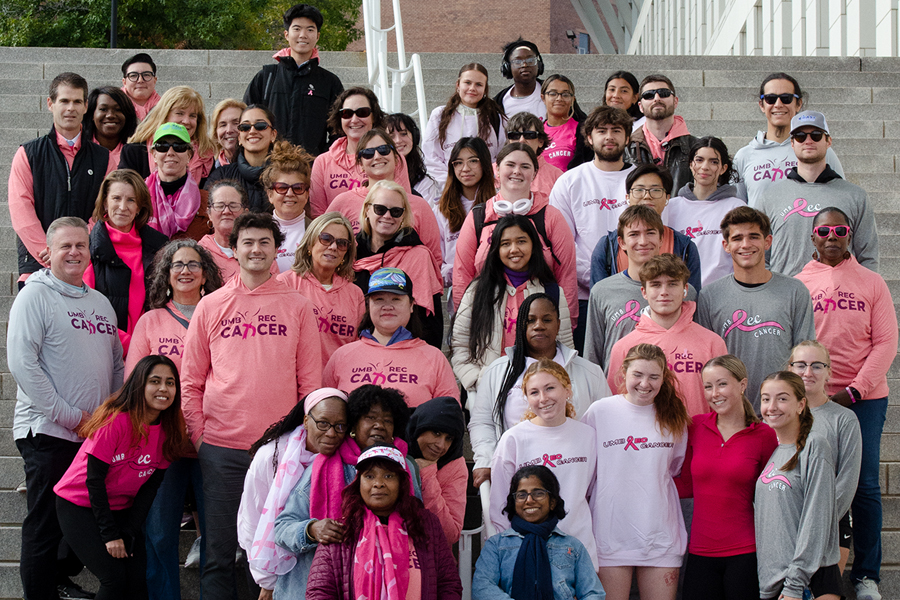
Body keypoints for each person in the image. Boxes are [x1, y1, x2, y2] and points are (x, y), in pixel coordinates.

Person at [180, 211, 322, 599]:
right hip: (221, 448)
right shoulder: (211, 305)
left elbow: (310, 386)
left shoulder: (297, 306)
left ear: (277, 249)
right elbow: (190, 380)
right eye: (248, 242)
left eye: (264, 242)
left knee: (274, 552)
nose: (256, 249)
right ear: (234, 248)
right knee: (220, 551)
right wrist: (199, 437)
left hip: (278, 449)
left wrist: (299, 441)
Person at [7, 217, 123, 600]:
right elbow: (23, 363)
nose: (74, 252)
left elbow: (117, 367)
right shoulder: (35, 295)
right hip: (48, 431)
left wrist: (109, 418)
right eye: (65, 246)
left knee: (75, 522)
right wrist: (72, 417)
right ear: (48, 252)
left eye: (81, 245)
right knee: (45, 523)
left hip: (91, 435)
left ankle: (59, 578)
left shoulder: (100, 303)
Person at [794, 208, 896, 599]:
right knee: (812, 483)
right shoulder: (799, 283)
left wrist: (855, 390)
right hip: (813, 399)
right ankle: (810, 570)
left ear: (850, 234)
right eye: (824, 230)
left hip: (864, 399)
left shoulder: (872, 282)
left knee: (865, 486)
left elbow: (886, 342)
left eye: (840, 229)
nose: (832, 236)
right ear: (813, 237)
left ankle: (866, 574)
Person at [124, 239, 223, 600]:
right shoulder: (151, 321)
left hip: (212, 441)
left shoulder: (220, 314)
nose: (185, 270)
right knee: (160, 533)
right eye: (177, 264)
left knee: (217, 535)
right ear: (166, 274)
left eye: (193, 264)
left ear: (205, 274)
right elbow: (133, 383)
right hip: (162, 443)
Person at [53, 355, 186, 600]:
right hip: (79, 504)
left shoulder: (169, 431)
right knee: (113, 578)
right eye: (155, 381)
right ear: (139, 385)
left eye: (170, 383)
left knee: (136, 580)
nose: (163, 389)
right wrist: (111, 535)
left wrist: (129, 531)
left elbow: (149, 490)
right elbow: (94, 481)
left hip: (122, 507)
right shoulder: (116, 422)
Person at [272, 385, 420, 598]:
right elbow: (282, 528)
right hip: (321, 585)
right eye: (370, 418)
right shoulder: (325, 465)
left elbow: (418, 525)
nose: (379, 425)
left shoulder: (405, 466)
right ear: (354, 424)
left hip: (389, 584)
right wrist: (312, 530)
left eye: (387, 420)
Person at [582, 343, 690, 600]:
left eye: (654, 377)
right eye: (638, 375)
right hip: (610, 535)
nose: (645, 383)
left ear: (664, 379)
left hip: (660, 535)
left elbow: (674, 467)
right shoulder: (601, 411)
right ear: (623, 374)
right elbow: (587, 467)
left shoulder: (673, 417)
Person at [469, 293, 608, 488]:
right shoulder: (499, 371)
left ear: (559, 325)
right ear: (521, 326)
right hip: (516, 477)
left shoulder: (589, 372)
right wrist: (486, 460)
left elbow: (604, 425)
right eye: (530, 320)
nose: (539, 325)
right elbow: (482, 422)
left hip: (575, 476)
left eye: (547, 319)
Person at [675, 355, 778, 600]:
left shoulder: (764, 435)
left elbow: (770, 497)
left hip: (745, 553)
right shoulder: (696, 427)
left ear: (742, 385)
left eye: (722, 384)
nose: (714, 394)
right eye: (708, 387)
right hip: (700, 552)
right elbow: (686, 484)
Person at [305, 444, 463, 600]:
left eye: (388, 476)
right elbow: (319, 592)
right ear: (358, 483)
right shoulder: (341, 530)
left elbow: (448, 584)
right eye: (369, 476)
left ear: (401, 483)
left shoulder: (426, 524)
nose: (378, 483)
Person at [696, 206, 815, 410]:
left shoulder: (795, 291)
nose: (745, 245)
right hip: (729, 412)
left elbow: (804, 357)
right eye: (737, 238)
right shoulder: (709, 296)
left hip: (781, 412)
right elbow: (707, 363)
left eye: (753, 237)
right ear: (726, 245)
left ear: (767, 241)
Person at [239, 388, 348, 599]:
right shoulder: (271, 456)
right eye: (323, 423)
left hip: (322, 566)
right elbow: (252, 518)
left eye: (340, 426)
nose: (332, 433)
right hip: (270, 561)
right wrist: (266, 580)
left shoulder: (347, 460)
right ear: (306, 420)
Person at [9, 72, 116, 286]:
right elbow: (20, 208)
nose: (71, 108)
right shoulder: (28, 154)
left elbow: (106, 208)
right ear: (50, 104)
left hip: (86, 263)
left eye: (77, 101)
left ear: (86, 106)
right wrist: (49, 250)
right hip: (38, 264)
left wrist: (79, 246)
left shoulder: (104, 158)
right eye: (64, 101)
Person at [490, 359, 599, 568]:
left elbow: (592, 492)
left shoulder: (588, 435)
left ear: (567, 389)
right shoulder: (513, 439)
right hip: (531, 552)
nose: (543, 398)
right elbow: (500, 506)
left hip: (580, 550)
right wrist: (512, 551)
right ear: (526, 398)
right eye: (534, 392)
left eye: (550, 388)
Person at [453, 143, 578, 324]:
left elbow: (566, 276)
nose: (517, 171)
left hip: (540, 321)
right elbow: (461, 275)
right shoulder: (478, 216)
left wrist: (567, 323)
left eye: (525, 166)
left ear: (534, 174)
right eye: (510, 165)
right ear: (497, 170)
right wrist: (465, 323)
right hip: (488, 318)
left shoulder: (551, 217)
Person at [451, 215, 573, 393]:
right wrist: (478, 381)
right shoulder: (477, 291)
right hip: (487, 389)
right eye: (505, 243)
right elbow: (459, 346)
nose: (514, 249)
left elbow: (566, 349)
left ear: (533, 245)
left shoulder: (552, 292)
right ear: (496, 249)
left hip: (539, 392)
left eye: (521, 241)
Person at [549, 105, 635, 348]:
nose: (609, 137)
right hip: (584, 296)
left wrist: (625, 279)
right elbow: (561, 243)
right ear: (589, 137)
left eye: (617, 130)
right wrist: (597, 279)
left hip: (635, 293)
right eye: (601, 131)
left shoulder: (641, 181)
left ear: (627, 137)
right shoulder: (569, 181)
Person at [758, 110, 878, 277]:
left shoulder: (855, 196)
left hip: (838, 296)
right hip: (787, 297)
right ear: (792, 143)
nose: (808, 141)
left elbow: (868, 256)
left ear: (828, 141)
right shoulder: (770, 197)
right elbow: (762, 256)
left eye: (816, 135)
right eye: (800, 136)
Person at [607, 254, 727, 417]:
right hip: (645, 440)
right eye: (656, 285)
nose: (664, 292)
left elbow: (724, 403)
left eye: (672, 284)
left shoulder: (712, 343)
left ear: (685, 290)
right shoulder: (623, 347)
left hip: (699, 438)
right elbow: (616, 406)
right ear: (644, 292)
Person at [755, 372, 840, 600]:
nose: (772, 407)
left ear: (801, 404)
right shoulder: (773, 452)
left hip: (809, 581)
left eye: (782, 399)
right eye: (765, 399)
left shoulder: (815, 446)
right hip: (775, 582)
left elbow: (816, 518)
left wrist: (795, 584)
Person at [584, 205, 698, 372]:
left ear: (661, 239)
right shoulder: (602, 291)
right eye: (634, 234)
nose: (643, 241)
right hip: (619, 389)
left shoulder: (685, 292)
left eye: (650, 233)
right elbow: (593, 354)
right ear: (621, 242)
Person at [324, 267, 459, 407]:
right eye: (379, 299)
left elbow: (449, 417)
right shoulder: (341, 356)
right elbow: (326, 413)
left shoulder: (434, 358)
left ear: (411, 305)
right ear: (368, 305)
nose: (387, 306)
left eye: (396, 299)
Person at [787, 342, 862, 578]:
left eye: (816, 366)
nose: (808, 372)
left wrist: (817, 524)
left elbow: (848, 480)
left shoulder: (844, 419)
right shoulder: (775, 416)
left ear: (829, 371)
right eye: (800, 365)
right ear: (790, 369)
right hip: (786, 522)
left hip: (831, 524)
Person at [474, 465, 605, 600]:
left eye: (538, 493)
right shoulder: (496, 545)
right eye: (522, 495)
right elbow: (482, 588)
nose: (529, 500)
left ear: (552, 502)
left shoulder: (573, 546)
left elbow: (593, 593)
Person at [326, 128, 442, 270]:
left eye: (384, 149)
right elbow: (323, 246)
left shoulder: (419, 205)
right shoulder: (342, 202)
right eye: (368, 153)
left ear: (396, 157)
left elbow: (434, 259)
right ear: (360, 165)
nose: (377, 156)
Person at [84, 169, 168, 355]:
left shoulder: (160, 247)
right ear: (105, 202)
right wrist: (134, 346)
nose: (123, 207)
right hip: (106, 352)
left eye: (131, 200)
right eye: (116, 198)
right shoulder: (88, 249)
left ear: (139, 207)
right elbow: (86, 312)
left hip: (153, 351)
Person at [351, 181, 444, 347]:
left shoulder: (419, 256)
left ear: (403, 216)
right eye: (380, 209)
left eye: (395, 211)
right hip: (356, 352)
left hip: (406, 353)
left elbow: (431, 323)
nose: (387, 216)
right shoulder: (350, 254)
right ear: (367, 210)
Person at [244, 3, 344, 154]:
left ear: (317, 36)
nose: (303, 35)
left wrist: (322, 159)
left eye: (310, 29)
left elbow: (339, 130)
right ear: (286, 34)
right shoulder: (266, 77)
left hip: (310, 167)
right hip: (269, 164)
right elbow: (246, 121)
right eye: (297, 29)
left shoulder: (329, 82)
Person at [733, 73, 843, 208]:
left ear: (798, 104)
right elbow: (736, 208)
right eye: (770, 99)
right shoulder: (744, 156)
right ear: (762, 105)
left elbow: (840, 196)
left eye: (786, 98)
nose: (778, 104)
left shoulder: (818, 149)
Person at [278, 212, 365, 368]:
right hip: (296, 380)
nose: (333, 247)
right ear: (310, 243)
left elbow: (357, 346)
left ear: (346, 252)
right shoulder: (285, 283)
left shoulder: (355, 293)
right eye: (326, 239)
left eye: (342, 243)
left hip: (339, 382)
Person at [310, 87, 412, 215]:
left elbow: (404, 204)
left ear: (374, 116)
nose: (354, 119)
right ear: (339, 118)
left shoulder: (392, 157)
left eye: (362, 112)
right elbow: (317, 213)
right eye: (347, 113)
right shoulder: (323, 162)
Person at [666, 136, 744, 286]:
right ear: (690, 164)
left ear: (723, 168)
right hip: (679, 294)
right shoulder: (670, 208)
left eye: (713, 162)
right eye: (699, 160)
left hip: (722, 293)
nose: (705, 167)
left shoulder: (736, 208)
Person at [423, 63, 506, 190]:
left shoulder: (495, 117)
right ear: (458, 85)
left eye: (479, 84)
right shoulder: (440, 115)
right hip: (449, 190)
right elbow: (431, 157)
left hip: (486, 191)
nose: (472, 88)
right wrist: (452, 185)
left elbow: (500, 156)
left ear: (485, 89)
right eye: (467, 82)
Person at [119, 85, 216, 185]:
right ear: (164, 115)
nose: (186, 121)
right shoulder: (134, 152)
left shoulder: (205, 155)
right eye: (179, 113)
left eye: (192, 116)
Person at [406, 396, 468, 544]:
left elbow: (450, 534)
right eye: (437, 433)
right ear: (420, 427)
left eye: (449, 439)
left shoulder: (455, 465)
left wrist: (427, 476)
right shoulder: (394, 446)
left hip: (430, 555)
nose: (441, 445)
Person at [625, 74, 697, 194]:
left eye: (664, 93)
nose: (656, 98)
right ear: (640, 106)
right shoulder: (626, 148)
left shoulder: (696, 147)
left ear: (675, 101)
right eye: (648, 95)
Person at [205, 105, 282, 212]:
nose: (252, 131)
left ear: (273, 134)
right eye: (245, 127)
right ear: (240, 137)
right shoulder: (221, 176)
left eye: (260, 125)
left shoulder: (287, 173)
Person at [199, 179, 278, 282]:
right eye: (220, 206)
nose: (226, 211)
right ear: (209, 214)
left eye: (233, 206)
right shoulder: (200, 252)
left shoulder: (260, 250)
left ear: (245, 213)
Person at [259, 141, 315, 271]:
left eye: (298, 188)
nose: (290, 193)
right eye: (282, 188)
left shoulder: (318, 233)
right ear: (270, 195)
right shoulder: (257, 232)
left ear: (307, 194)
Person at [143, 122, 203, 239]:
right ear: (154, 155)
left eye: (179, 146)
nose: (170, 153)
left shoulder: (205, 202)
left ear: (189, 154)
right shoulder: (138, 195)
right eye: (162, 147)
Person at [499, 112, 563, 196]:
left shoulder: (557, 176)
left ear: (541, 141)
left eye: (529, 135)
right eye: (515, 135)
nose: (521, 140)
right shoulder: (491, 172)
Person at [386, 112, 441, 204]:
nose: (398, 140)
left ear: (414, 137)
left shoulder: (426, 184)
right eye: (391, 137)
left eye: (403, 134)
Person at [541, 74, 592, 172]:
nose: (559, 98)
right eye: (553, 93)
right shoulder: (536, 131)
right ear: (543, 98)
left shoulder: (583, 131)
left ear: (573, 99)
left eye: (565, 94)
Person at [83, 86, 138, 168]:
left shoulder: (138, 152)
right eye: (103, 109)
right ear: (92, 115)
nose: (110, 115)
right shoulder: (80, 148)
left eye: (118, 109)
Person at [493, 38, 546, 119]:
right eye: (517, 61)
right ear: (507, 67)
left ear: (539, 65)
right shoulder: (498, 103)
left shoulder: (553, 92)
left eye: (530, 60)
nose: (525, 65)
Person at [121, 53, 160, 121]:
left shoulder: (166, 107)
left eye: (146, 75)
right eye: (133, 75)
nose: (140, 80)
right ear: (124, 82)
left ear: (154, 80)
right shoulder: (114, 105)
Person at [210, 98, 246, 167]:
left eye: (236, 123)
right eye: (223, 125)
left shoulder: (263, 166)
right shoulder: (208, 169)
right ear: (215, 132)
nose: (229, 130)